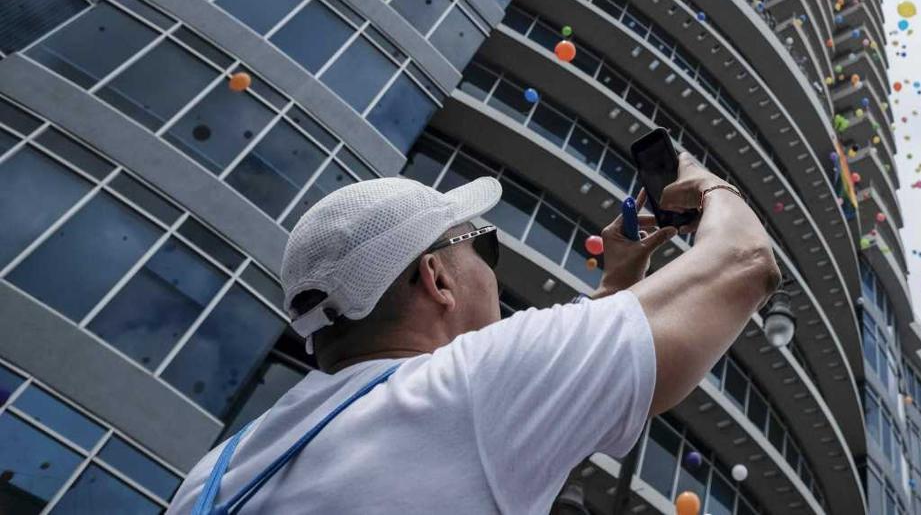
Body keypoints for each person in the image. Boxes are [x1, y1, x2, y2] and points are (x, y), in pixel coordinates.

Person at [167, 152, 780, 514]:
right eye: (480, 242)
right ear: (435, 277)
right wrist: (701, 181)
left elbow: (493, 438)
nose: (493, 262)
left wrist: (619, 285)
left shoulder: (218, 471)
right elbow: (745, 262)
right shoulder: (471, 388)